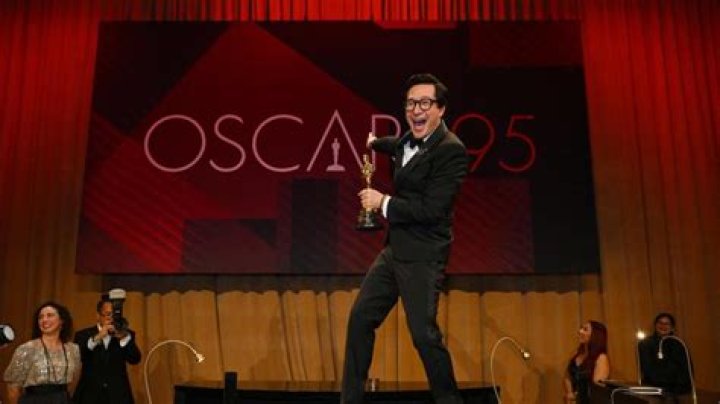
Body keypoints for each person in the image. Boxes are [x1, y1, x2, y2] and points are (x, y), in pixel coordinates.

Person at [341, 73, 468, 404]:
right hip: (394, 250)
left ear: (441, 109)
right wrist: (374, 143)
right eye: (411, 103)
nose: (416, 110)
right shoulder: (406, 142)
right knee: (360, 319)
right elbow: (394, 145)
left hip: (424, 255)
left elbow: (432, 210)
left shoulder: (451, 151)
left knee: (424, 335)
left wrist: (382, 202)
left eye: (425, 103)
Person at [3, 301, 81, 404]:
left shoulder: (73, 349)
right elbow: (13, 388)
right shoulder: (26, 349)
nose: (44, 320)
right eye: (40, 317)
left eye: (50, 315)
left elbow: (74, 382)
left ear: (62, 320)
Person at [73, 298, 142, 404]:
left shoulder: (126, 334)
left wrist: (123, 338)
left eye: (115, 315)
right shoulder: (83, 335)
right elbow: (78, 356)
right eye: (108, 314)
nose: (112, 318)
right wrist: (98, 337)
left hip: (118, 396)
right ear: (98, 316)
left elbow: (135, 359)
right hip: (90, 395)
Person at [637, 313, 691, 394]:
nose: (663, 326)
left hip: (678, 389)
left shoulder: (679, 344)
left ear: (672, 328)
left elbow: (686, 369)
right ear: (655, 325)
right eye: (660, 323)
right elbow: (647, 367)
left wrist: (679, 386)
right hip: (654, 388)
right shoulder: (645, 343)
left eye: (667, 324)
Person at [563, 320, 610, 404]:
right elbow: (567, 375)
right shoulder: (577, 353)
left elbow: (597, 390)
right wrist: (569, 393)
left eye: (585, 329)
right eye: (581, 328)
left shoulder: (601, 358)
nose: (580, 331)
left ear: (595, 335)